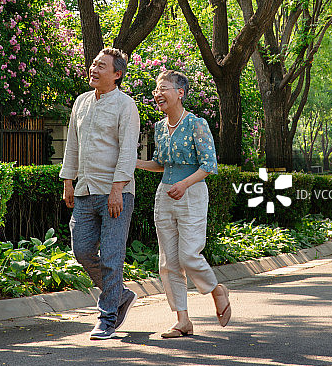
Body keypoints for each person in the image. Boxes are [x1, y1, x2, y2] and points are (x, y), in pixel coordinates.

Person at [136, 69, 231, 337]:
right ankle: (182, 320)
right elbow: (160, 163)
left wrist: (184, 184)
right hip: (165, 195)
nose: (158, 94)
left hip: (191, 194)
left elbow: (209, 165)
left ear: (180, 93)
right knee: (168, 262)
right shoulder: (159, 128)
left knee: (189, 255)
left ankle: (216, 290)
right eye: (156, 89)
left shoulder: (196, 124)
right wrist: (134, 163)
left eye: (163, 88)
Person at [60, 47, 140, 340]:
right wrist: (68, 181)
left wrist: (118, 189)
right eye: (94, 64)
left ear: (117, 75)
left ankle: (107, 318)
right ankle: (120, 295)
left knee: (111, 255)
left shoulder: (126, 105)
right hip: (84, 189)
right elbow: (72, 145)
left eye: (101, 66)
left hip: (115, 193)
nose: (94, 69)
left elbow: (128, 150)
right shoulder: (81, 102)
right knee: (82, 250)